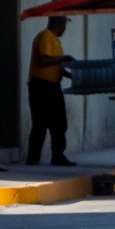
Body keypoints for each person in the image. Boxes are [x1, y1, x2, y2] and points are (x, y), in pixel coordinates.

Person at [26, 15, 75, 166]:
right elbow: (44, 60)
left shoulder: (55, 41)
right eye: (64, 24)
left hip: (53, 86)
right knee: (40, 123)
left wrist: (74, 75)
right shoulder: (45, 37)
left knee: (59, 122)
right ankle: (33, 158)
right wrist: (64, 58)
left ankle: (58, 155)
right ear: (58, 22)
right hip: (41, 87)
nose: (65, 28)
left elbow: (56, 67)